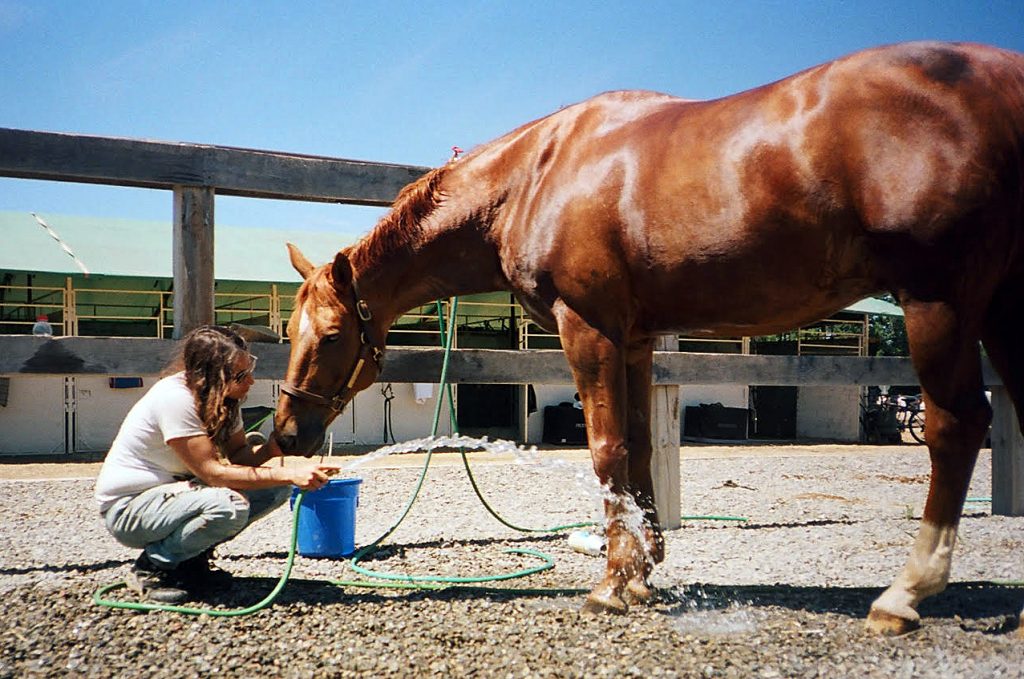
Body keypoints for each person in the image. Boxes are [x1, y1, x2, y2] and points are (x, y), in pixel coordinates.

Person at [94, 325, 337, 604]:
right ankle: (152, 568)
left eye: (250, 371)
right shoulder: (176, 399)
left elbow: (240, 456)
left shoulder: (222, 400)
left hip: (174, 497)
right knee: (229, 505)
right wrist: (290, 474)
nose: (250, 382)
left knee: (274, 489)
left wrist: (273, 448)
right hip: (130, 509)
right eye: (241, 376)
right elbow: (213, 473)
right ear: (211, 376)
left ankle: (190, 563)